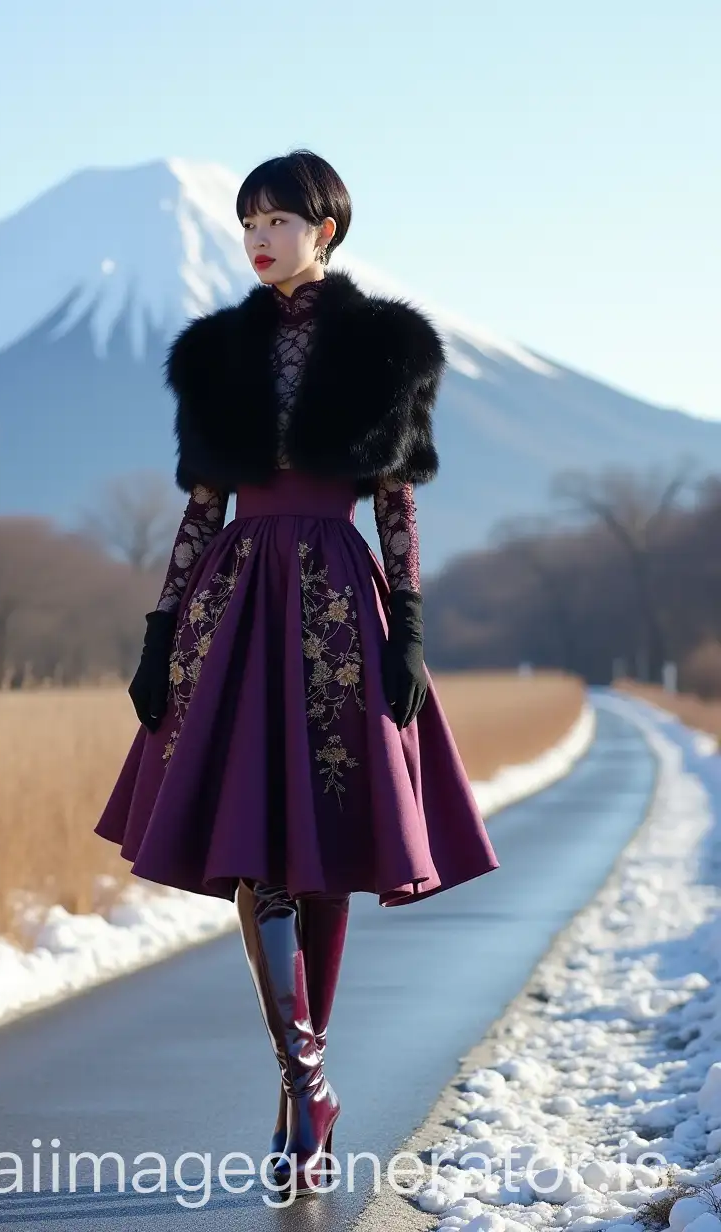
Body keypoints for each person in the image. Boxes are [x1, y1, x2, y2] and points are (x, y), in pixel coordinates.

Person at [95, 148, 500, 1196]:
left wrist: (407, 624)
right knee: (252, 856)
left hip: (335, 605)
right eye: (246, 222)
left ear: (327, 228)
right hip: (231, 607)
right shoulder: (215, 354)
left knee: (320, 853)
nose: (259, 237)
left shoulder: (385, 349)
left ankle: (296, 1091)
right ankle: (307, 1078)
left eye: (278, 219)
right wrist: (158, 630)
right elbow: (201, 509)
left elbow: (398, 502)